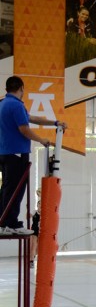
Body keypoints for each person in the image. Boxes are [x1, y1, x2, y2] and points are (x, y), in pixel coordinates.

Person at [1, 76, 64, 235]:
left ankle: (3, 222)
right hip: (16, 154)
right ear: (21, 88)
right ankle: (11, 224)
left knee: (7, 189)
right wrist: (41, 139)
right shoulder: (15, 105)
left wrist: (55, 123)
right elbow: (24, 129)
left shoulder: (4, 104)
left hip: (5, 153)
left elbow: (32, 118)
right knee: (15, 190)